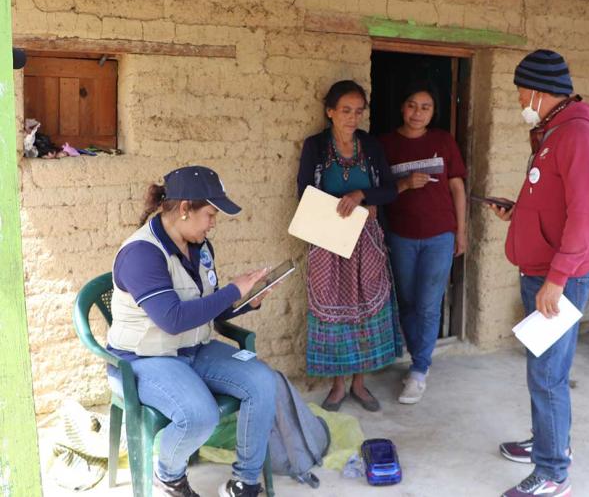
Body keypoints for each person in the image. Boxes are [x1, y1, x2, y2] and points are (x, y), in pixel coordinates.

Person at [106, 165, 278, 497]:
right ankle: (168, 476)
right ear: (184, 209)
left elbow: (205, 306)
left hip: (194, 348)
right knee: (200, 415)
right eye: (210, 214)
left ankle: (244, 483)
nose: (214, 223)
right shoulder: (141, 254)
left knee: (262, 381)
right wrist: (233, 290)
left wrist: (246, 301)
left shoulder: (200, 245)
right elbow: (171, 319)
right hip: (143, 360)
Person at [488, 50, 589, 497]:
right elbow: (555, 202)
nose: (518, 97)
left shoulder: (576, 135)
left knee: (548, 375)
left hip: (560, 277)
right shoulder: (554, 131)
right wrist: (521, 215)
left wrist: (557, 280)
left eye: (521, 90)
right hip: (543, 270)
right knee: (544, 368)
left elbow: (584, 215)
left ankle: (554, 473)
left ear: (538, 90)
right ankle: (551, 444)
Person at [297, 80, 402, 413]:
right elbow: (302, 192)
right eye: (345, 110)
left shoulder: (369, 146)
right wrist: (335, 208)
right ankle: (338, 386)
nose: (352, 117)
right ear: (330, 112)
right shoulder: (315, 146)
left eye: (358, 111)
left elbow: (389, 190)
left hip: (366, 242)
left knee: (364, 314)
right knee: (333, 313)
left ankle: (360, 383)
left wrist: (362, 196)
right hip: (328, 242)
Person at [378, 80, 467, 405]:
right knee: (407, 301)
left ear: (433, 112)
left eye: (425, 107)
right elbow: (380, 192)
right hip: (400, 236)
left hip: (440, 235)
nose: (418, 113)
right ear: (402, 108)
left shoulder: (443, 141)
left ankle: (419, 369)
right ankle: (419, 358)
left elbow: (457, 188)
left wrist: (462, 231)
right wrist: (404, 183)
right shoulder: (385, 144)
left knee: (429, 304)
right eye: (412, 105)